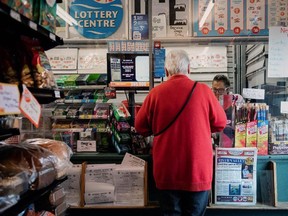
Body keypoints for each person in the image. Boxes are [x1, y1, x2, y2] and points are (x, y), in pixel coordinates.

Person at [135, 49, 227, 216]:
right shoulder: (204, 91)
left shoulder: (155, 94)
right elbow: (220, 123)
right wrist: (202, 127)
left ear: (166, 71)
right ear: (189, 69)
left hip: (167, 171)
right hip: (197, 171)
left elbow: (140, 127)